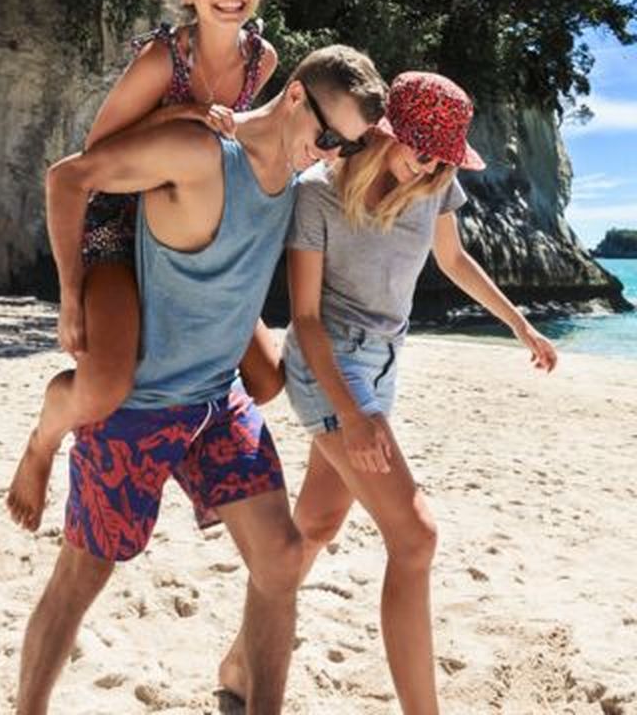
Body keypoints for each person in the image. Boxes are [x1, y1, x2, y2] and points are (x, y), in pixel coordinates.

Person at [14, 43, 387, 715]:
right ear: (296, 96)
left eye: (345, 147)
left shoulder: (302, 185)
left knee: (279, 561)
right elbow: (70, 178)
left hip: (218, 402)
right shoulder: (201, 153)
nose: (330, 153)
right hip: (137, 404)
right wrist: (72, 295)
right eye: (327, 135)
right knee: (84, 573)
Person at [219, 71, 558, 715]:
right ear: (382, 131)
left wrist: (520, 325)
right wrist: (352, 414)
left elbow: (454, 262)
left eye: (439, 157)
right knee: (416, 537)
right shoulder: (317, 196)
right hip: (328, 370)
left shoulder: (434, 184)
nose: (426, 166)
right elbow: (308, 319)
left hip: (384, 367)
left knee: (316, 525)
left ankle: (239, 662)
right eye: (418, 149)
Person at [7, 0, 281, 533]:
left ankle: (186, 450)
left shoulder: (261, 61)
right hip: (121, 233)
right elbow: (89, 164)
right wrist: (71, 296)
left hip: (194, 242)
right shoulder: (164, 60)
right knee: (102, 388)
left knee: (264, 379)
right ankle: (44, 440)